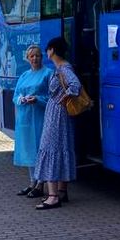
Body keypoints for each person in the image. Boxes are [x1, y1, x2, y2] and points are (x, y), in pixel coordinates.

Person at [33, 36, 81, 210]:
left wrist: (64, 96)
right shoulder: (62, 68)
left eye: (48, 49)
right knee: (61, 148)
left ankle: (52, 196)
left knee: (50, 147)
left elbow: (75, 85)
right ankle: (61, 190)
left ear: (52, 50)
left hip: (57, 115)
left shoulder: (63, 68)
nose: (47, 52)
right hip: (59, 114)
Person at [12, 44, 50, 198]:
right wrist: (21, 99)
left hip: (39, 117)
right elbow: (15, 96)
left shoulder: (48, 74)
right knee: (28, 150)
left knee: (40, 150)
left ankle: (41, 184)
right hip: (25, 118)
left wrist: (38, 99)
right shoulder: (24, 75)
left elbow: (52, 98)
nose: (35, 58)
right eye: (32, 56)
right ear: (27, 59)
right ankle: (32, 182)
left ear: (42, 57)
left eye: (38, 55)